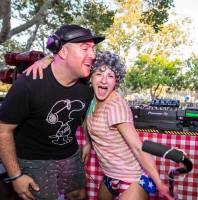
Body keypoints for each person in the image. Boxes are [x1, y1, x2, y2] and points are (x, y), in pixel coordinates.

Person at [0, 24, 104, 200]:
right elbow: (3, 131)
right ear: (63, 53)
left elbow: (85, 115)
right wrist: (16, 176)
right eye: (85, 48)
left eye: (93, 49)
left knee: (78, 194)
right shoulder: (29, 84)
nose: (93, 55)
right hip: (34, 159)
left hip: (70, 154)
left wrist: (87, 141)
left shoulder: (87, 84)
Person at [85, 51, 172, 200]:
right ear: (91, 77)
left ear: (116, 82)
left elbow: (138, 148)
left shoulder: (115, 106)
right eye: (99, 74)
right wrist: (87, 143)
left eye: (110, 76)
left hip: (132, 178)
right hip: (109, 175)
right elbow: (88, 121)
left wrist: (159, 182)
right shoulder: (92, 100)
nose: (104, 80)